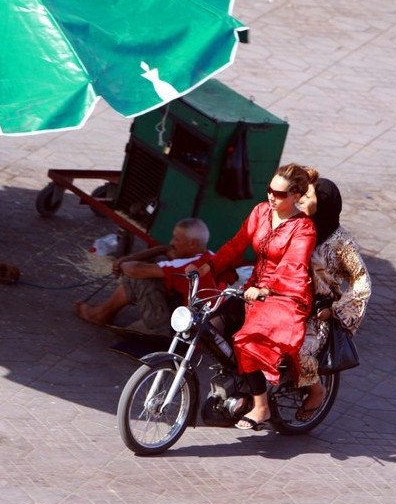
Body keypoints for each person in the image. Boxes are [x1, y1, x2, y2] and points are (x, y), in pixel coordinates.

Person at [188, 163, 317, 431]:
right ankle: (243, 379)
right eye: (269, 190)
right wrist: (208, 266)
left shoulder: (303, 228)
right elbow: (237, 244)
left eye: (279, 194)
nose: (271, 197)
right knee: (211, 326)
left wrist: (266, 289)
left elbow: (293, 265)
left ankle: (261, 406)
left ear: (295, 196)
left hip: (285, 296)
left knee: (246, 340)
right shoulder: (261, 211)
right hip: (253, 291)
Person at [294, 174, 372, 421]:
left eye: (308, 197)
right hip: (287, 301)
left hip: (318, 313)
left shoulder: (341, 243)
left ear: (324, 203)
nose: (301, 201)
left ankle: (316, 390)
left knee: (298, 351)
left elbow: (361, 280)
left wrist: (336, 310)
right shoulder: (298, 226)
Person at [75, 218, 222, 336]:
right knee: (152, 270)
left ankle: (103, 314)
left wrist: (121, 263)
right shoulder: (212, 258)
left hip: (183, 330)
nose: (171, 242)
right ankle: (104, 312)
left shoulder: (187, 265)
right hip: (205, 328)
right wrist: (161, 249)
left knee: (138, 275)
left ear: (192, 244)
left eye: (176, 239)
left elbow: (133, 270)